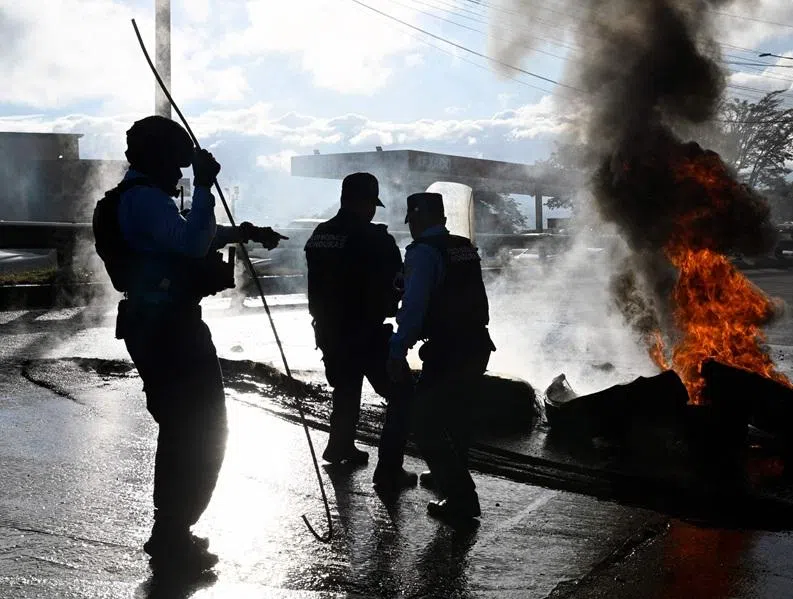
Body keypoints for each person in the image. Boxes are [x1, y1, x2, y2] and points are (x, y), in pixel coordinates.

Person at [92, 115, 287, 572]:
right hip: (169, 328)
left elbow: (181, 238)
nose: (180, 174)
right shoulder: (144, 201)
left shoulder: (140, 201)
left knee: (185, 428)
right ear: (159, 160)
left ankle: (173, 530)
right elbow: (193, 241)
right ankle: (171, 534)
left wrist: (243, 232)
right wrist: (204, 187)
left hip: (158, 324)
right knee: (198, 429)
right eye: (177, 166)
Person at [304, 172, 418, 494]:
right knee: (403, 393)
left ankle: (340, 446)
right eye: (372, 204)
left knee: (347, 387)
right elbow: (398, 284)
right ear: (366, 202)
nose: (373, 212)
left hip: (329, 331)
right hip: (365, 332)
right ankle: (389, 470)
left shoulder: (321, 234)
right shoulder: (376, 239)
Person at [387, 192, 496, 525]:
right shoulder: (463, 247)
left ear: (417, 220)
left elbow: (415, 308)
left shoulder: (423, 253)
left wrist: (397, 349)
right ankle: (446, 477)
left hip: (448, 348)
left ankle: (461, 498)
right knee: (458, 417)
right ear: (443, 219)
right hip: (476, 343)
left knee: (424, 422)